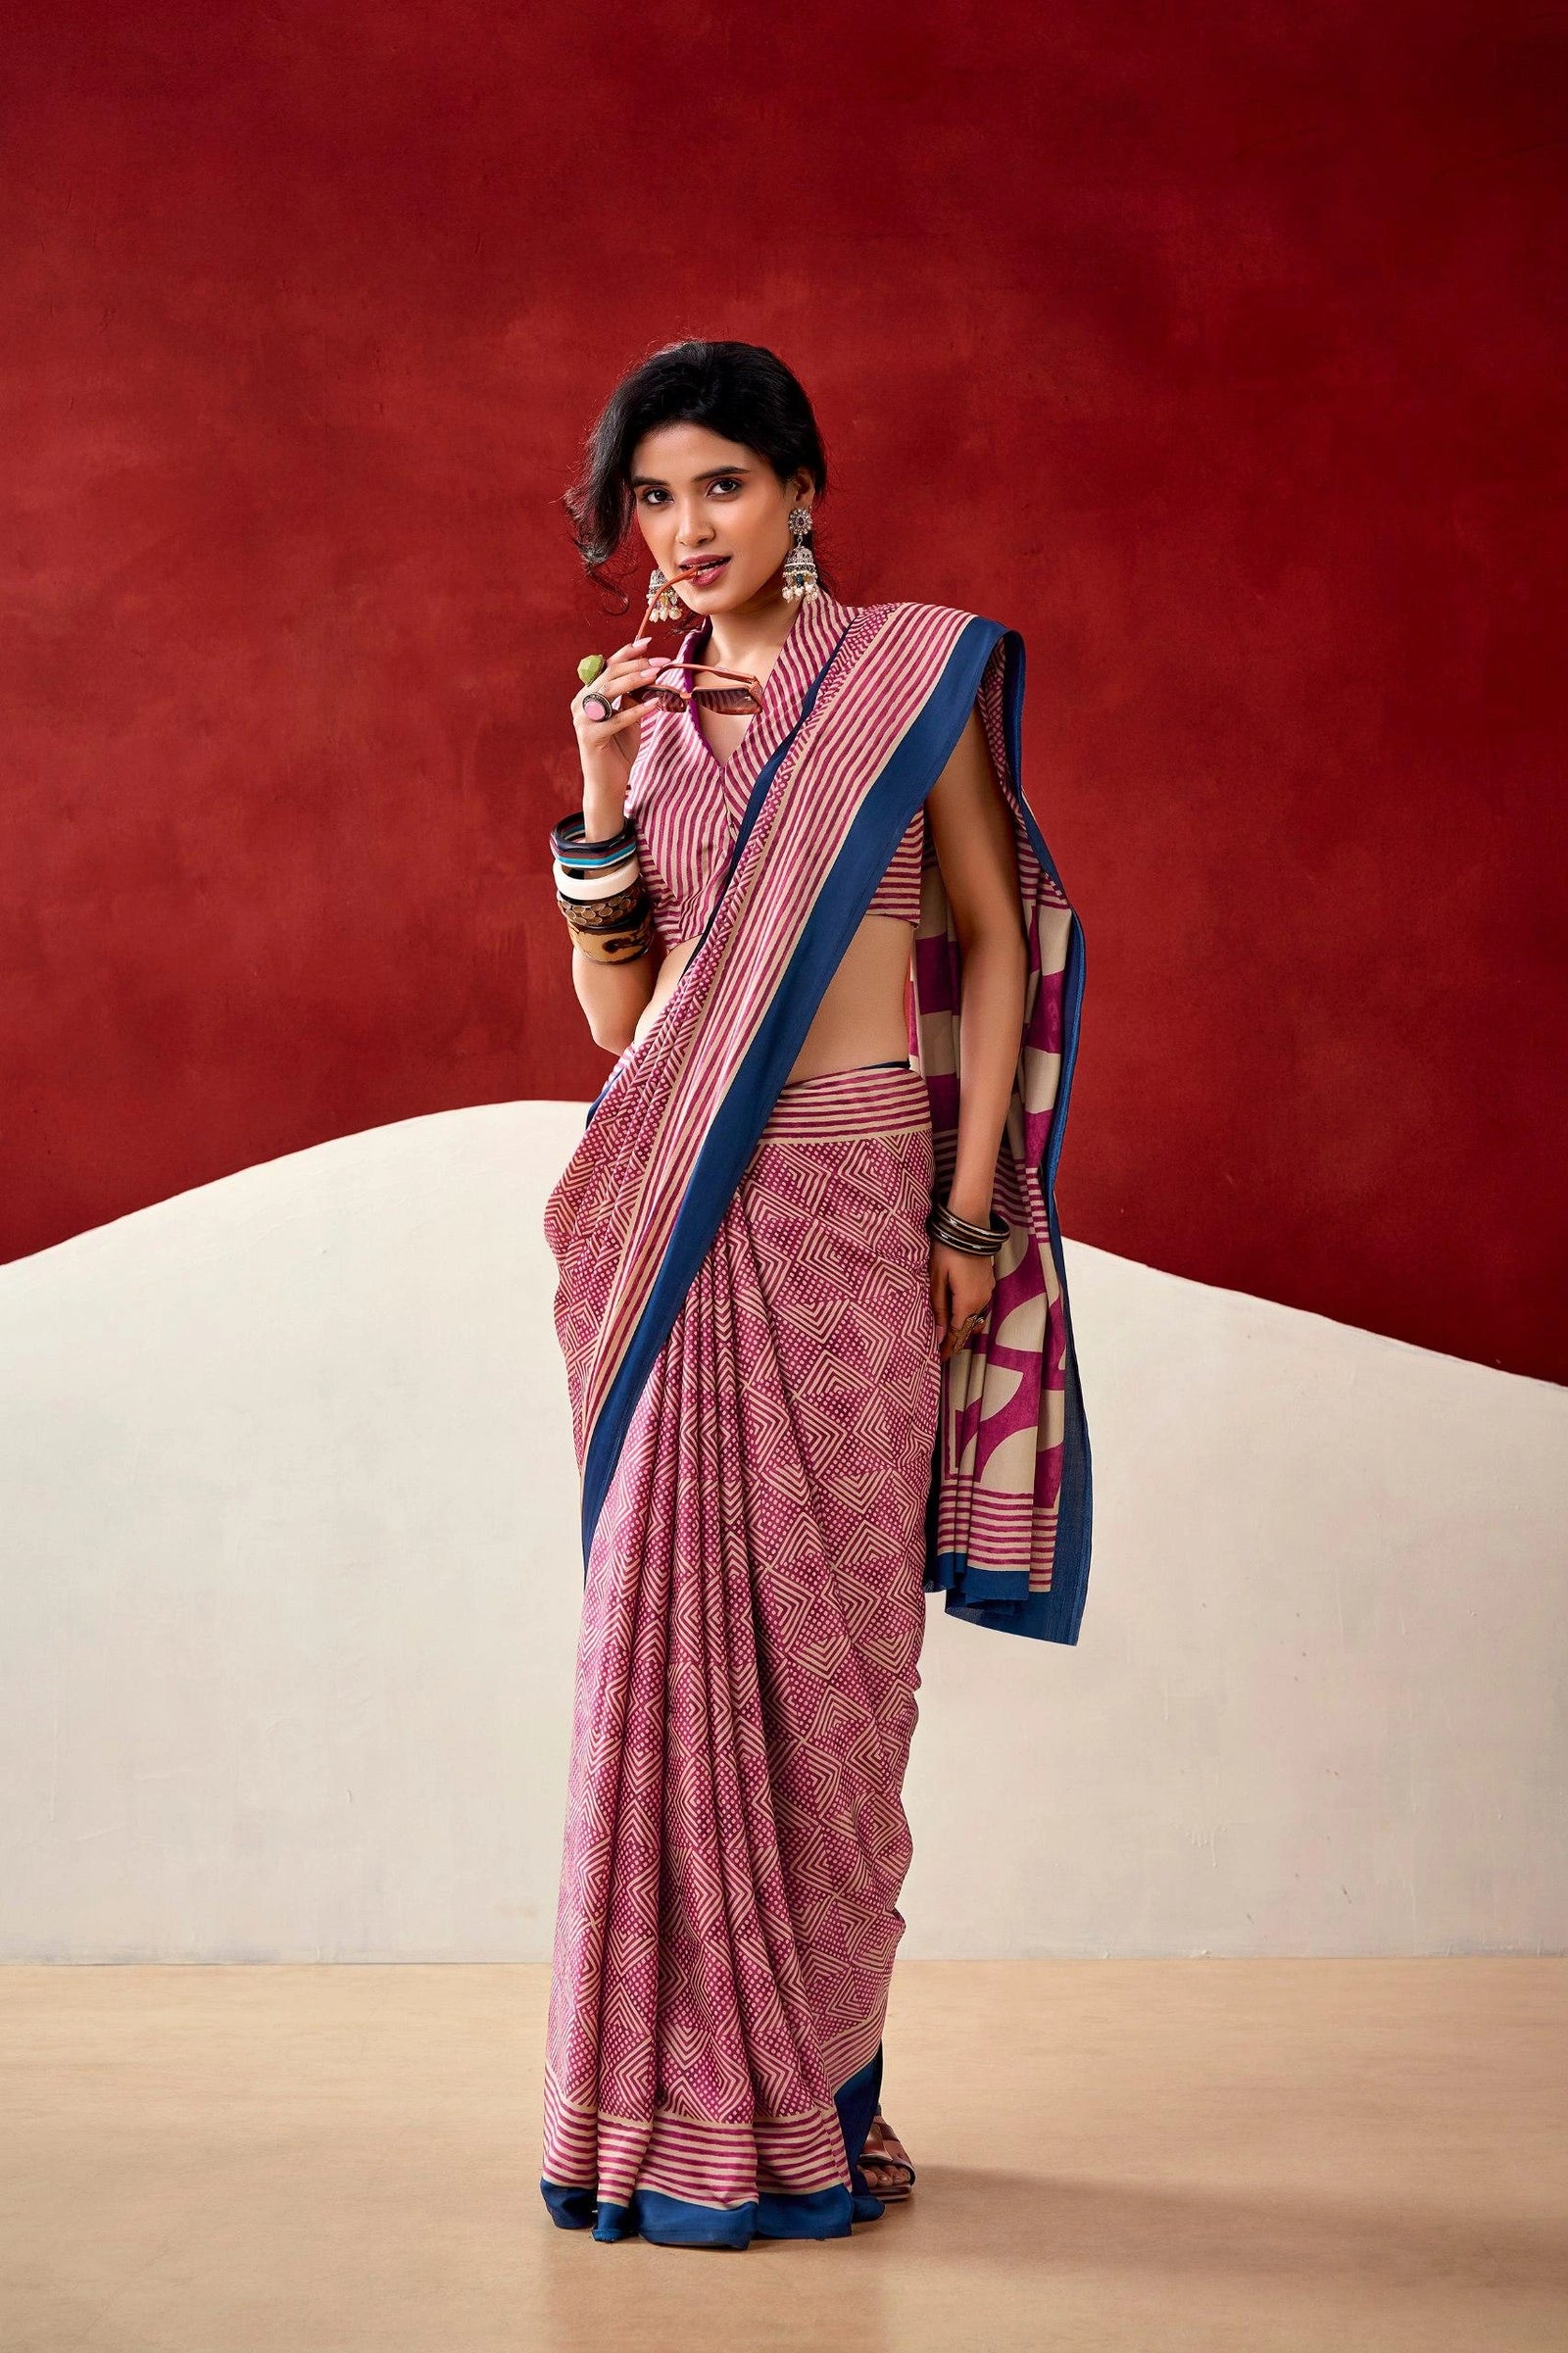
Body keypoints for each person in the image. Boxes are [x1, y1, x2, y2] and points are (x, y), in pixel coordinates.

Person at [539, 338, 1092, 2251]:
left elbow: (1000, 937)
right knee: (665, 1646)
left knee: (842, 1675)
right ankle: (682, 2112)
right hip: (684, 1209)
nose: (682, 532)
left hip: (861, 1190)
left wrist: (966, 1219)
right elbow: (622, 1022)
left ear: (800, 494)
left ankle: (825, 2095)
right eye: (653, 499)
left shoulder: (901, 680)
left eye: (720, 488)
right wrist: (603, 790)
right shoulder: (640, 706)